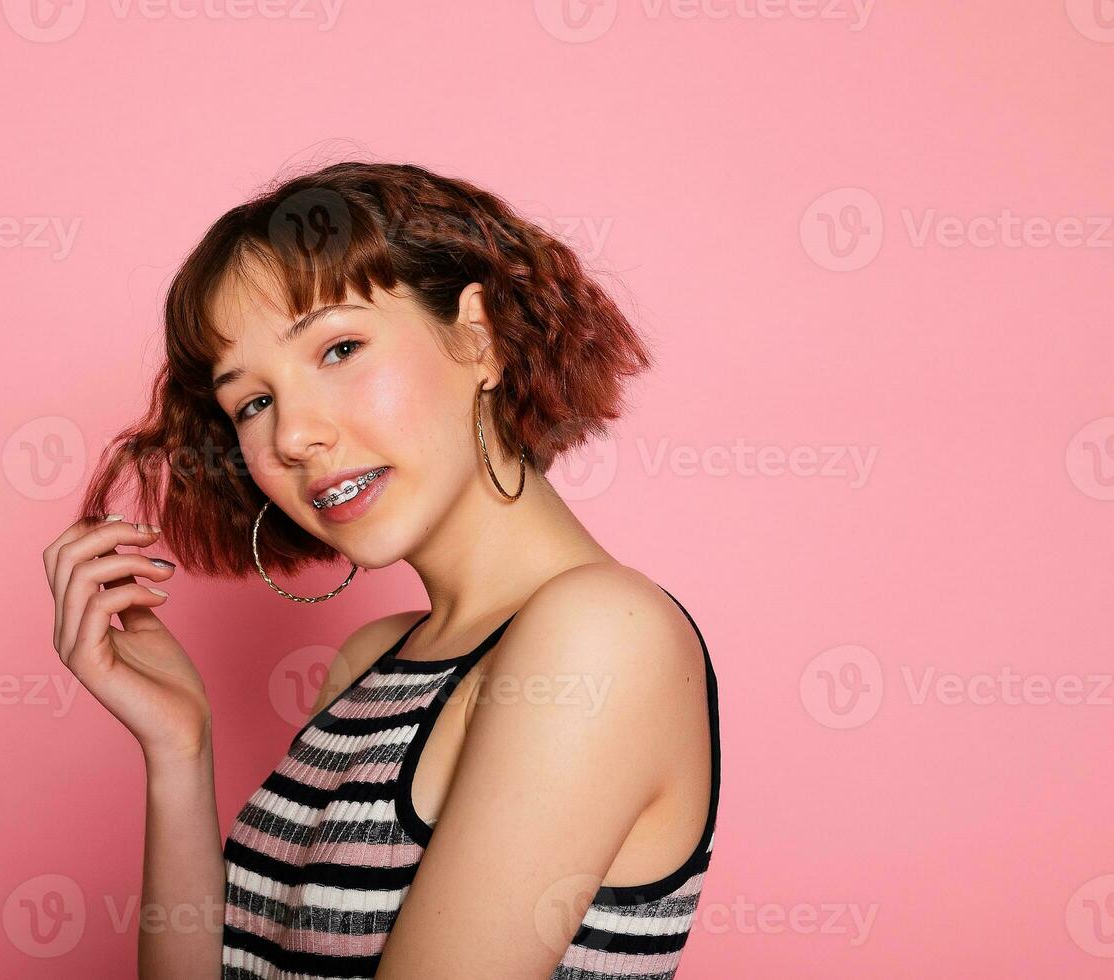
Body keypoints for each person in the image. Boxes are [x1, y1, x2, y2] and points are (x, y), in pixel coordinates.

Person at [41, 161, 721, 978]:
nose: (292, 435)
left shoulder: (606, 635)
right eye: (251, 403)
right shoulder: (372, 662)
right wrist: (178, 750)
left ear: (479, 336)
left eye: (339, 348)